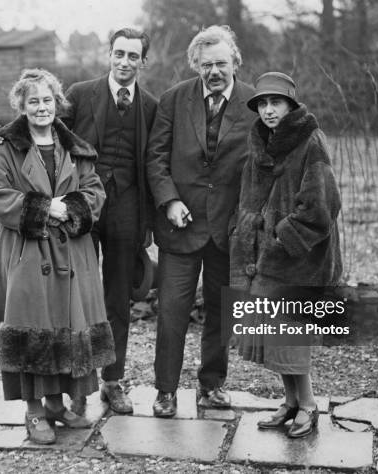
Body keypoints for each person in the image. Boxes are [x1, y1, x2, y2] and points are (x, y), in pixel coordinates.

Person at [0, 29, 158, 414]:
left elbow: (155, 159)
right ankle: (70, 389)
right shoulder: (81, 93)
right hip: (65, 213)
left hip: (121, 209)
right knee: (65, 296)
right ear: (109, 55)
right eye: (119, 53)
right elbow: (35, 125)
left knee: (113, 298)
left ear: (143, 61)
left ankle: (111, 382)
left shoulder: (150, 105)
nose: (125, 61)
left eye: (134, 55)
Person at [0, 68, 114, 445]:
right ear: (21, 107)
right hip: (26, 254)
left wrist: (69, 208)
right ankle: (35, 410)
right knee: (31, 330)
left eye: (47, 100)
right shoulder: (6, 150)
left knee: (65, 327)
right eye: (33, 101)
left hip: (72, 253)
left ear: (58, 103)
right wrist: (43, 209)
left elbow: (94, 190)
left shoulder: (75, 147)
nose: (42, 108)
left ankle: (57, 404)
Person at [146, 25, 255, 418]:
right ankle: (166, 392)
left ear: (235, 63)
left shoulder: (254, 102)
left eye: (221, 63)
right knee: (172, 312)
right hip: (180, 227)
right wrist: (169, 201)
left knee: (221, 313)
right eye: (206, 64)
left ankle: (212, 386)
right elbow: (155, 158)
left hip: (229, 231)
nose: (214, 71)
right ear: (196, 65)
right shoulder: (174, 100)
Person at [229, 72, 342, 438]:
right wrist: (244, 231)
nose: (268, 110)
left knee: (291, 337)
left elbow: (322, 207)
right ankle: (290, 401)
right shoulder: (261, 142)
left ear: (291, 105)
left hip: (297, 259)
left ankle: (308, 405)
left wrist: (282, 237)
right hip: (262, 258)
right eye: (262, 104)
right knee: (274, 336)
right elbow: (248, 196)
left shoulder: (311, 140)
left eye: (275, 102)